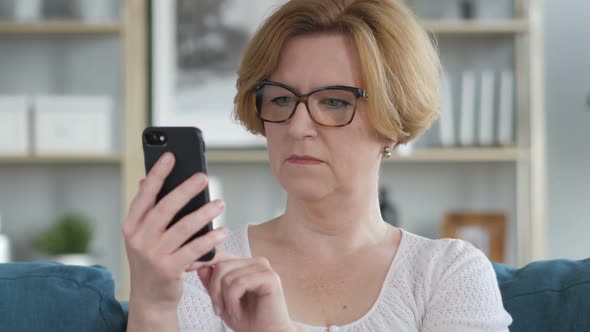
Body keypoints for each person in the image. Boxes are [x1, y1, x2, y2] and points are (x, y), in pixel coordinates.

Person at [122, 0, 513, 331]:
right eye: (280, 99)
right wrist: (153, 306)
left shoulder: (449, 274)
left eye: (335, 101)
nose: (298, 125)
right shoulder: (197, 269)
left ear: (393, 123)